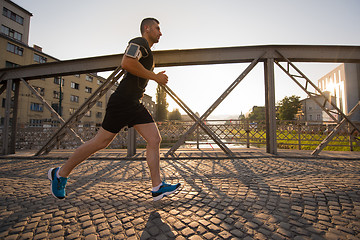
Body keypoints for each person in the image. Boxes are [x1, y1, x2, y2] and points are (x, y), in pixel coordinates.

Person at [48, 18, 180, 201]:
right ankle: (60, 173)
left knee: (154, 139)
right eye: (157, 28)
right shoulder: (139, 42)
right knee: (100, 142)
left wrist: (152, 78)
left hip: (134, 103)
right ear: (146, 28)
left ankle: (157, 187)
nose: (160, 32)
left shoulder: (147, 51)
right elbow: (127, 63)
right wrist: (155, 77)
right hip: (122, 101)